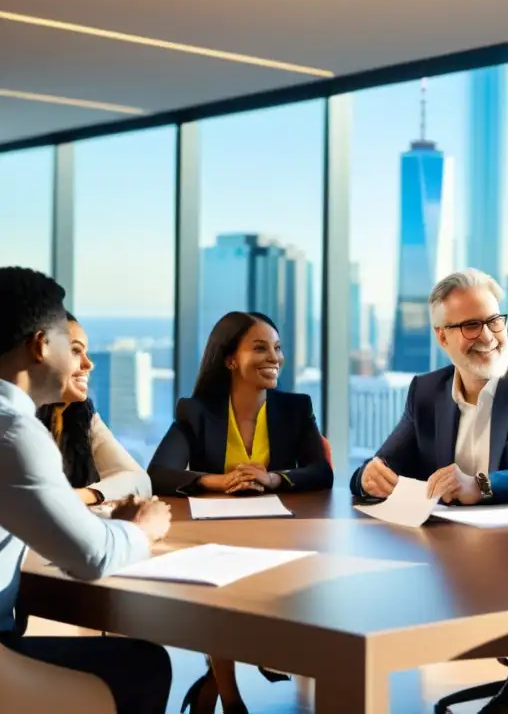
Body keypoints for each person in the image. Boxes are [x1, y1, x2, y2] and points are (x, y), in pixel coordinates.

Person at [350, 268, 508, 714]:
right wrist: (367, 477)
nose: (488, 336)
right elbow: (381, 464)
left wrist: (482, 485)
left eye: (495, 320)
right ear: (442, 337)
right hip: (451, 553)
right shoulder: (426, 391)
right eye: (470, 325)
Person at [0, 266, 172, 714]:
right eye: (69, 345)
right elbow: (93, 558)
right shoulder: (14, 431)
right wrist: (144, 529)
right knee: (145, 665)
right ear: (41, 345)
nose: (81, 362)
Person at [149, 310, 333, 714]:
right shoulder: (195, 410)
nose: (275, 357)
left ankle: (217, 682)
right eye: (260, 347)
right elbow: (158, 473)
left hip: (284, 534)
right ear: (230, 358)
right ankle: (231, 699)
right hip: (215, 535)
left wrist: (274, 480)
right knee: (221, 594)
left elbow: (321, 472)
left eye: (278, 348)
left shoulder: (295, 407)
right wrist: (219, 481)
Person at [36, 312, 151, 505]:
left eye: (85, 353)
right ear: (39, 352)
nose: (88, 364)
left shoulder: (78, 412)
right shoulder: (16, 421)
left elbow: (140, 480)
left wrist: (86, 495)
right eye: (75, 351)